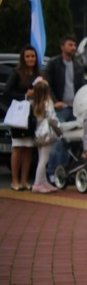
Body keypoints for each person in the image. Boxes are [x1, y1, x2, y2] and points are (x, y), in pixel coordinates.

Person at [43, 34, 85, 181]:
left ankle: (66, 172)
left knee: (72, 142)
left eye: (74, 45)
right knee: (58, 140)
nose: (73, 47)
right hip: (60, 109)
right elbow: (47, 85)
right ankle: (53, 173)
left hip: (75, 109)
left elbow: (82, 87)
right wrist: (55, 101)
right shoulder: (53, 63)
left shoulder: (78, 66)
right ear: (62, 47)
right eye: (70, 45)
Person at [4, 46, 41, 191]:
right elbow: (7, 92)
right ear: (23, 58)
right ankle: (15, 180)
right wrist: (25, 96)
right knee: (18, 147)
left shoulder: (38, 73)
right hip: (19, 114)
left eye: (33, 56)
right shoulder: (17, 73)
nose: (31, 59)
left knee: (28, 148)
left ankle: (25, 180)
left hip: (33, 114)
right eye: (28, 56)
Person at [30, 79, 60, 194]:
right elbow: (52, 118)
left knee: (40, 158)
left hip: (37, 133)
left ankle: (44, 182)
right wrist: (59, 129)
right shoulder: (48, 102)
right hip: (47, 134)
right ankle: (37, 183)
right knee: (44, 160)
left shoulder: (35, 102)